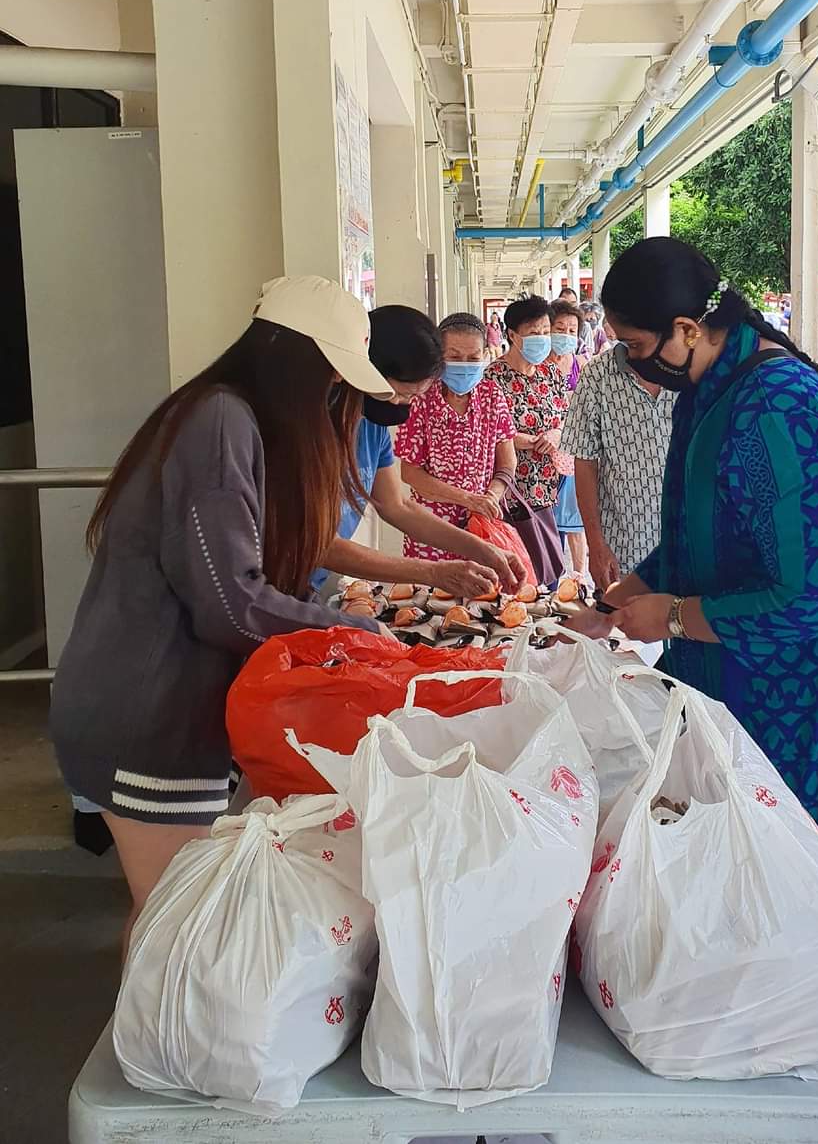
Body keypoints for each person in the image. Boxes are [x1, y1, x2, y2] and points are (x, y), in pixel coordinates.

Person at [569, 237, 818, 965]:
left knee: (813, 875)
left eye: (637, 343)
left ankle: (814, 1025)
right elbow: (700, 537)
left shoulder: (776, 409)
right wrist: (626, 595)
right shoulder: (712, 390)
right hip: (759, 673)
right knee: (751, 864)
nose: (629, 360)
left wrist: (676, 616)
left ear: (687, 329)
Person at [50, 276, 387, 935]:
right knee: (173, 923)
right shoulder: (221, 419)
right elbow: (229, 603)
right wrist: (355, 633)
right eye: (331, 383)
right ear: (299, 363)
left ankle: (155, 1036)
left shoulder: (217, 413)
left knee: (165, 914)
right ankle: (153, 1042)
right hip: (147, 715)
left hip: (151, 704)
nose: (330, 401)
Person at [312, 305, 525, 597]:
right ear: (370, 368)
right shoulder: (316, 427)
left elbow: (396, 505)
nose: (405, 404)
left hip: (312, 584)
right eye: (401, 393)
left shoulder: (373, 427)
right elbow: (317, 543)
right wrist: (431, 572)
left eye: (414, 397)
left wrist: (483, 550)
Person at [395, 312, 517, 562]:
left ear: (485, 355)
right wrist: (466, 498)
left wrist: (491, 495)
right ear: (439, 357)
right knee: (429, 598)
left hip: (482, 527)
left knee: (483, 594)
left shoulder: (492, 396)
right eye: (454, 357)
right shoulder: (420, 400)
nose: (464, 365)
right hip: (430, 530)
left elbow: (507, 463)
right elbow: (410, 473)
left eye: (473, 358)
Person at [560, 336, 675, 593]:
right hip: (621, 550)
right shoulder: (598, 374)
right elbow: (584, 460)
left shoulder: (692, 371)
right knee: (616, 630)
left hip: (686, 552)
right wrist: (596, 545)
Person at [486, 294, 568, 584]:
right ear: (512, 335)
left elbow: (566, 418)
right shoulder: (491, 378)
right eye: (534, 333)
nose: (542, 339)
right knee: (517, 569)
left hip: (547, 486)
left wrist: (556, 435)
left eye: (546, 332)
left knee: (549, 565)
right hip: (509, 491)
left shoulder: (552, 375)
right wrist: (517, 440)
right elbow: (485, 429)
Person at [547, 300, 587, 575]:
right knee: (549, 522)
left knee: (576, 521)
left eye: (571, 330)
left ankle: (579, 580)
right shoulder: (536, 366)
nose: (565, 334)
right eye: (559, 328)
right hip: (543, 454)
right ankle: (551, 579)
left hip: (573, 455)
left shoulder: (582, 365)